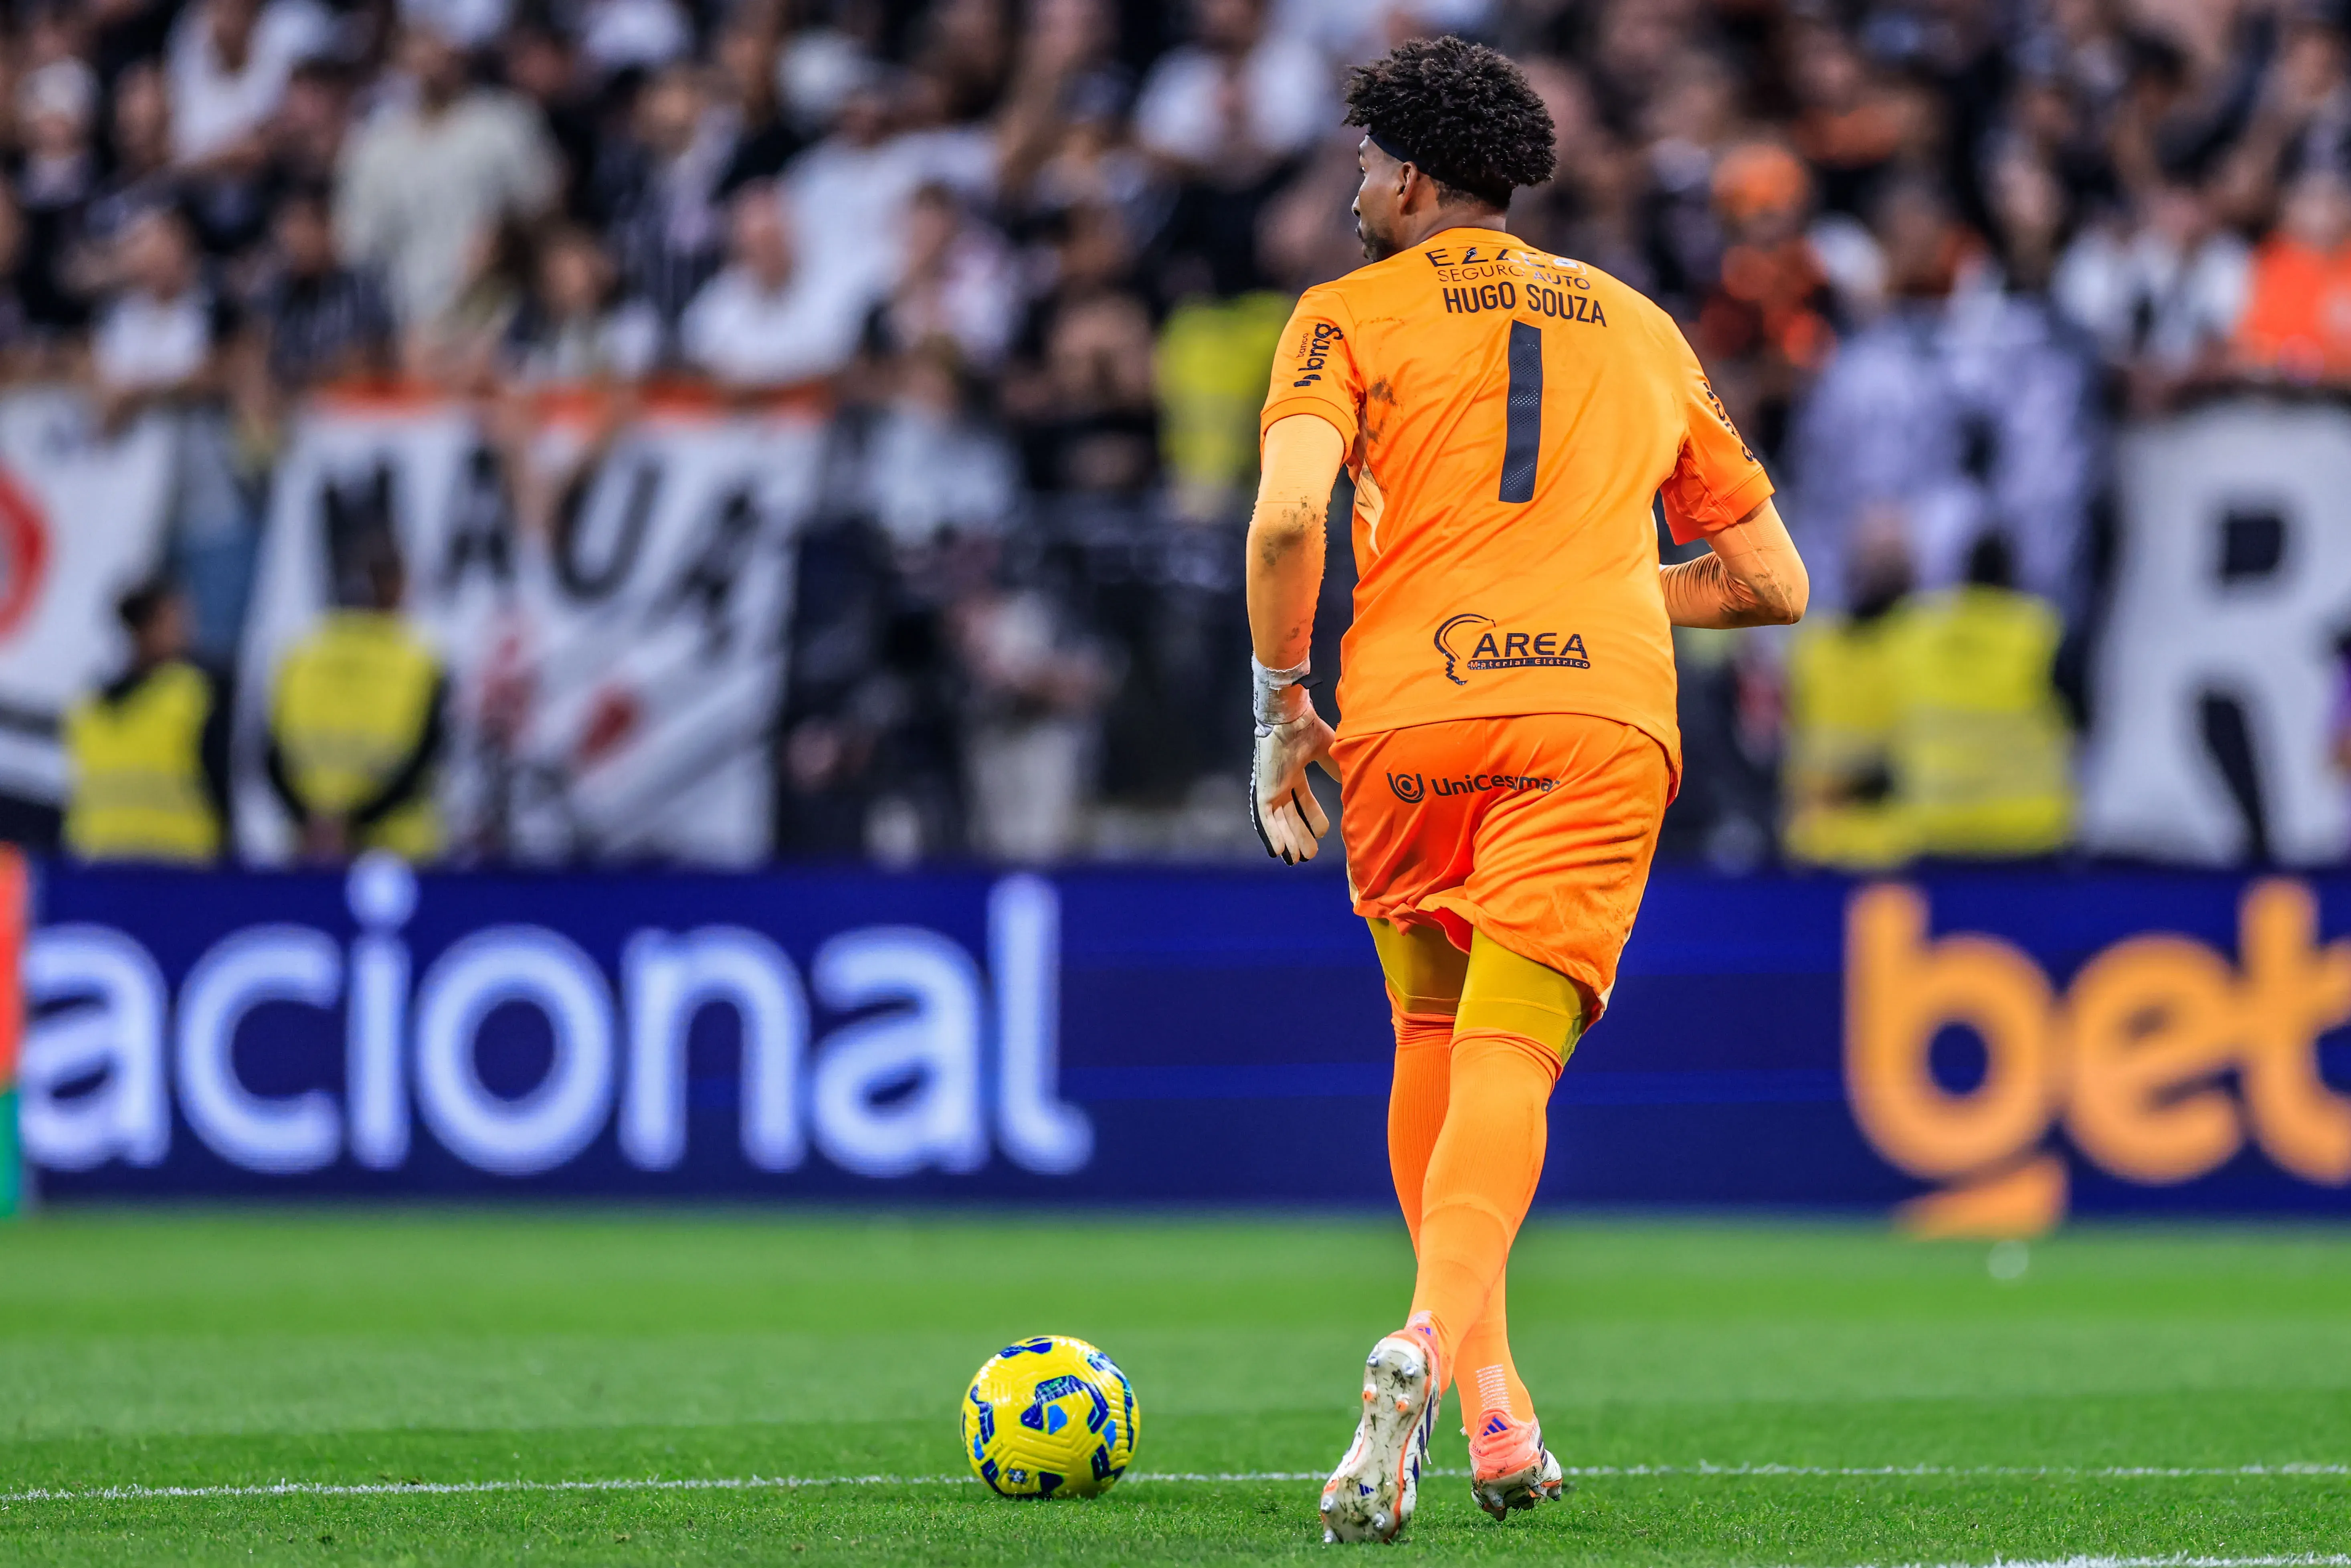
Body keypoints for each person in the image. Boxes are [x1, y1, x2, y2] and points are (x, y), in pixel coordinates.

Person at [1241, 39, 1807, 1542]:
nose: (1356, 188)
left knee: (1429, 1030)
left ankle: (1494, 1412)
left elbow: (1293, 516)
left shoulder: (1342, 316)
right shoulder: (1638, 323)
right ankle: (1443, 1355)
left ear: (1413, 177)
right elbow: (1772, 580)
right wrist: (1612, 586)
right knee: (1510, 1056)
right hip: (1601, 723)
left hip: (1417, 715)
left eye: (1366, 165)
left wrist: (1283, 702)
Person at [265, 541, 447, 863]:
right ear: (395, 585)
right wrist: (355, 822)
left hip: (312, 848)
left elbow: (271, 756)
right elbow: (426, 761)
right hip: (397, 854)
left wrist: (313, 820)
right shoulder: (418, 663)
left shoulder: (301, 655)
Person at [62, 580, 232, 864]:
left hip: (107, 864)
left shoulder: (87, 706)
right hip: (169, 867)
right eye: (174, 620)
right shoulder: (192, 694)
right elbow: (217, 782)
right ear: (145, 628)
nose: (185, 632)